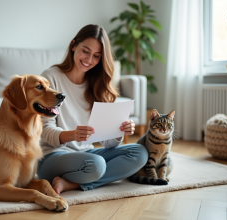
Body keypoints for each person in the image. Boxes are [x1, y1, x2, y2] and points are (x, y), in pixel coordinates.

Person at [37, 24, 148, 195]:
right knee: (96, 164)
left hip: (87, 154)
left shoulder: (97, 84)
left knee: (140, 153)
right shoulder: (51, 77)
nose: (89, 60)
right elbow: (45, 130)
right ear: (74, 45)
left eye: (96, 56)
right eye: (85, 51)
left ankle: (71, 184)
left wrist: (119, 131)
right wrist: (73, 134)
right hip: (52, 157)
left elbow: (108, 143)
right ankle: (82, 179)